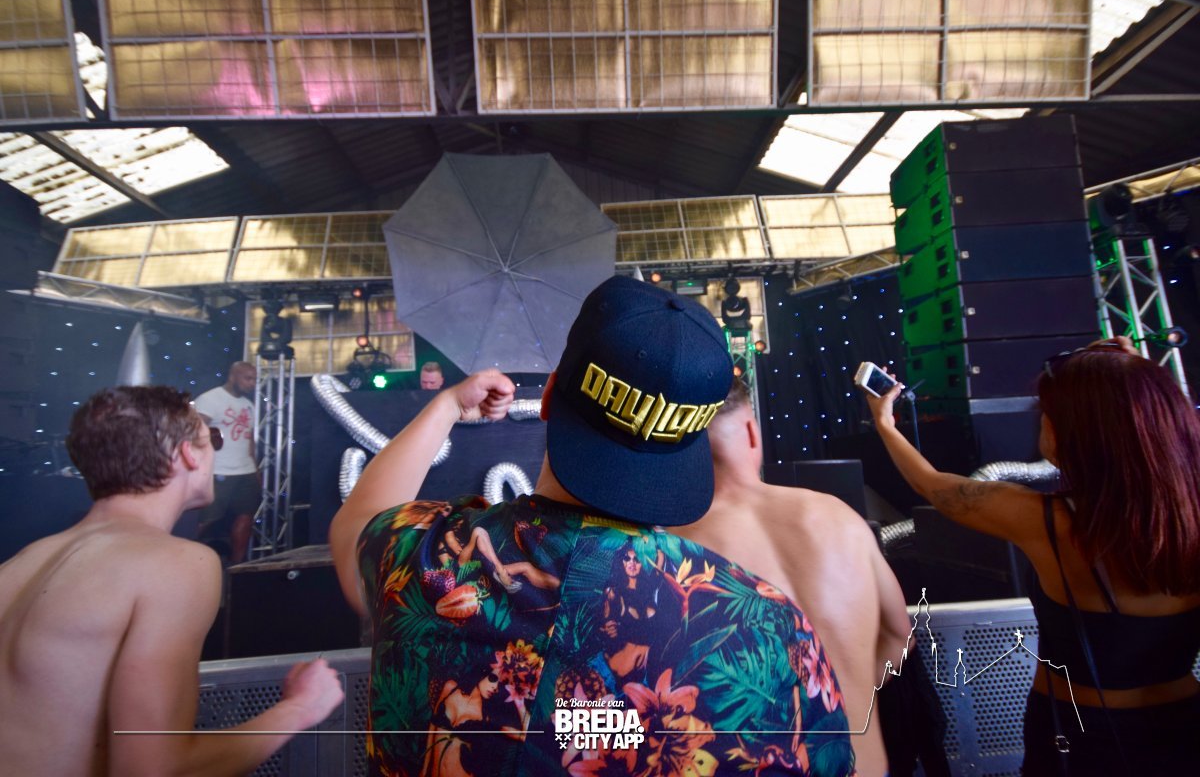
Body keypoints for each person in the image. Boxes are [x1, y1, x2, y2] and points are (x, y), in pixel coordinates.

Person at [331, 276, 857, 776]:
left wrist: (446, 406)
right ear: (691, 444)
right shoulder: (771, 631)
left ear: (550, 395)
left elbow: (357, 521)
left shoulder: (423, 560)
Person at [864, 338, 1200, 774]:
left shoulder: (1046, 522)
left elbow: (931, 484)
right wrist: (1134, 380)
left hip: (1079, 734)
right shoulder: (1189, 517)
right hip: (1184, 726)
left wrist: (885, 423)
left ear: (1069, 434)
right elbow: (1146, 430)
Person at [0, 386, 343, 776]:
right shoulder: (176, 563)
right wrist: (301, 707)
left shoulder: (23, 562)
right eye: (212, 439)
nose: (215, 452)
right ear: (187, 453)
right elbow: (156, 770)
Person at [672, 379, 910, 777]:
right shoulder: (840, 517)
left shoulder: (674, 551)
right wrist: (845, 695)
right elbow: (900, 636)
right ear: (751, 432)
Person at [194, 361, 258, 563]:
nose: (252, 383)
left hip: (245, 471)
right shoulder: (210, 399)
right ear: (233, 377)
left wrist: (255, 469)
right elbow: (193, 433)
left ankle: (237, 567)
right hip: (218, 471)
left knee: (245, 517)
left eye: (254, 379)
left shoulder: (249, 405)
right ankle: (181, 559)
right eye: (248, 378)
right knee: (205, 520)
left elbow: (249, 440)